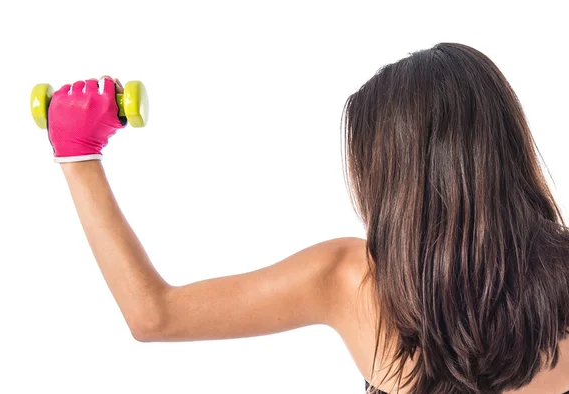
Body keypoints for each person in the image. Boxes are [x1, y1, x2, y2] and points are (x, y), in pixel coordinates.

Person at [45, 42, 569, 393]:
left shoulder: (353, 280)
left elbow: (153, 315)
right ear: (504, 146)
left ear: (394, 179)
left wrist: (76, 153)